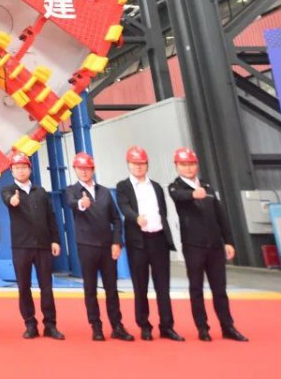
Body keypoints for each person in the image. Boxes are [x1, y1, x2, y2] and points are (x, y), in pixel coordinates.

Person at [168, 148, 248, 342]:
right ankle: (202, 328)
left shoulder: (207, 187)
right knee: (196, 288)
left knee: (220, 289)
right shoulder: (175, 187)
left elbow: (221, 215)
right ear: (177, 166)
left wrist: (228, 241)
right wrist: (193, 194)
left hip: (215, 246)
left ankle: (228, 326)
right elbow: (178, 197)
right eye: (184, 164)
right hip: (193, 246)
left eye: (191, 164)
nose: (188, 168)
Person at [115, 146, 183, 341]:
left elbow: (163, 212)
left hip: (158, 239)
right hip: (138, 242)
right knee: (140, 286)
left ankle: (167, 326)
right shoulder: (123, 186)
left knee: (163, 286)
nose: (138, 167)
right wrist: (136, 218)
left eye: (142, 163)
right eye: (134, 163)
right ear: (128, 164)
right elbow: (124, 207)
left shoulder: (157, 187)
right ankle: (144, 325)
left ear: (147, 165)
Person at [66, 152, 133, 342]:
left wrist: (117, 242)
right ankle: (96, 326)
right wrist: (81, 203)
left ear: (93, 169)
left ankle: (117, 326)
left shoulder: (104, 192)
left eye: (87, 168)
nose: (84, 172)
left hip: (106, 246)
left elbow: (116, 219)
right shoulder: (72, 190)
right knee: (90, 288)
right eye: (80, 168)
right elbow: (71, 203)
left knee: (111, 288)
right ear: (75, 170)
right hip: (86, 246)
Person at [0, 151, 64, 340]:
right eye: (17, 168)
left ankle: (50, 325)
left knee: (47, 287)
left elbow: (51, 217)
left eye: (23, 167)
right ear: (12, 171)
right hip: (21, 247)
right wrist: (13, 200)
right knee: (24, 287)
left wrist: (55, 240)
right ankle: (30, 324)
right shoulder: (8, 190)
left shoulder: (40, 191)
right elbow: (7, 199)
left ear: (30, 169)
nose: (20, 171)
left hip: (43, 246)